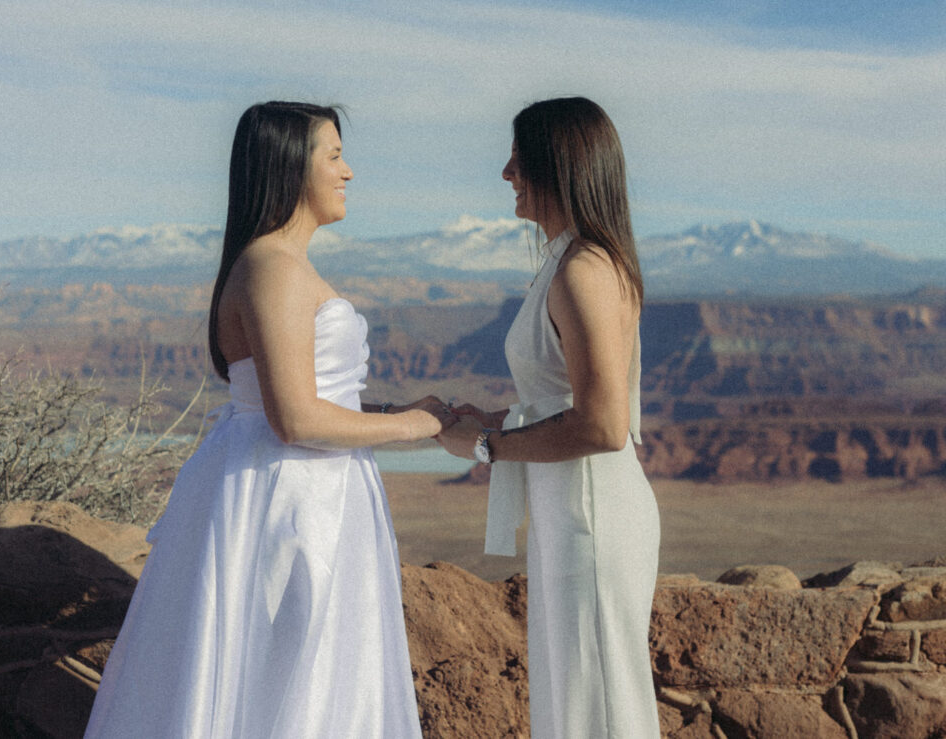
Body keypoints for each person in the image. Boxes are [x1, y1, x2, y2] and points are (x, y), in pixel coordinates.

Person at [85, 101, 452, 738]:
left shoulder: (282, 264)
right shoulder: (273, 269)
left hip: (306, 491)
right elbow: (296, 420)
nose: (349, 173)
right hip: (289, 498)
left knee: (306, 672)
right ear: (289, 167)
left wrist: (402, 410)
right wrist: (415, 428)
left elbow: (306, 398)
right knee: (288, 672)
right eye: (334, 157)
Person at [438, 97, 661, 737]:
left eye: (519, 157)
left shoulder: (583, 269)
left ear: (558, 165)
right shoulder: (572, 260)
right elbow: (565, 397)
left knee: (598, 705)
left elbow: (601, 424)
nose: (507, 172)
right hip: (574, 512)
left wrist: (488, 444)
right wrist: (499, 417)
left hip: (592, 518)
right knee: (580, 700)